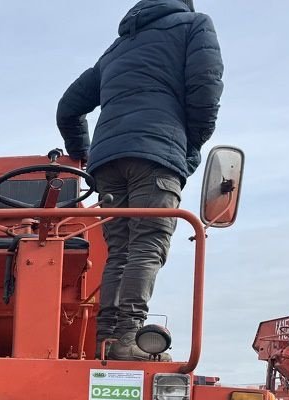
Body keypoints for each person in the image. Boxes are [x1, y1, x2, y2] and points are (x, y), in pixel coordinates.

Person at [57, 0, 223, 361]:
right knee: (148, 245)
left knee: (120, 250)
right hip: (155, 154)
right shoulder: (194, 25)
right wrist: (187, 146)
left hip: (108, 164)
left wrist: (83, 154)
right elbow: (205, 91)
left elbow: (68, 107)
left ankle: (107, 340)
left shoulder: (115, 50)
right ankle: (128, 338)